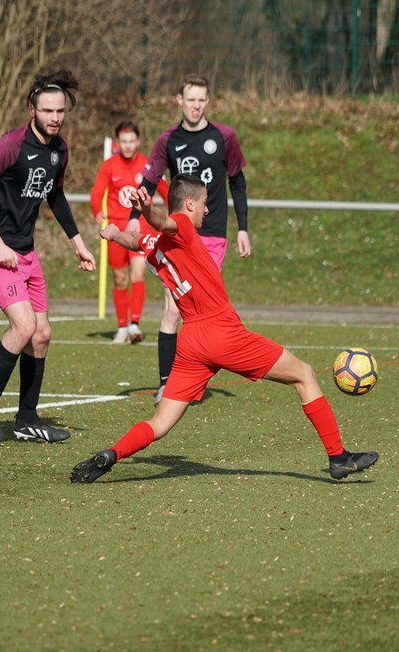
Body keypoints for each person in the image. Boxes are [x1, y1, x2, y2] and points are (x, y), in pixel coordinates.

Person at [71, 174, 378, 483]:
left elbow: (136, 239)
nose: (207, 210)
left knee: (160, 422)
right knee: (304, 374)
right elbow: (164, 221)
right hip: (221, 331)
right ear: (189, 203)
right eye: (204, 203)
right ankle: (338, 457)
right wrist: (149, 209)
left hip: (191, 342)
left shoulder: (155, 243)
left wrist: (114, 233)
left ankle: (111, 454)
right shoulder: (182, 225)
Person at [0, 69, 96, 444]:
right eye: (47, 110)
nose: (55, 117)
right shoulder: (10, 146)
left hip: (25, 251)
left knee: (42, 334)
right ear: (31, 109)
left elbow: (55, 195)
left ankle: (26, 418)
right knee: (24, 326)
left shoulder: (59, 150)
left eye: (60, 111)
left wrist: (78, 242)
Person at [127, 74, 251, 402]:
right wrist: (133, 218)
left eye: (201, 100)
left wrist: (243, 227)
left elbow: (238, 182)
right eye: (190, 99)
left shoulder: (224, 137)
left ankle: (192, 378)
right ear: (179, 100)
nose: (195, 106)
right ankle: (167, 384)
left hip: (212, 235)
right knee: (173, 308)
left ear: (208, 101)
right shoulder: (167, 140)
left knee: (202, 311)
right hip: (178, 235)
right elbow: (149, 181)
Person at [89, 121, 168, 344]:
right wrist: (96, 210)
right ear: (117, 142)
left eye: (131, 141)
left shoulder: (148, 166)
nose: (128, 145)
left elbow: (166, 191)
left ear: (138, 141)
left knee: (138, 273)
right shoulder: (109, 166)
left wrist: (173, 214)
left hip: (141, 228)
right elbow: (97, 192)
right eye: (123, 141)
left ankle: (134, 324)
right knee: (120, 278)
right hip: (116, 230)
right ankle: (122, 327)